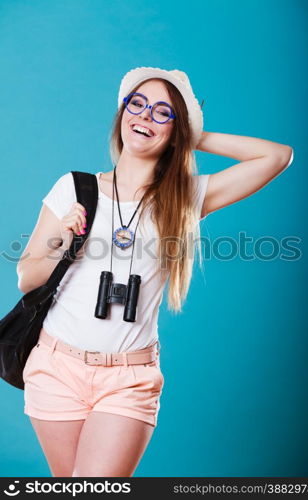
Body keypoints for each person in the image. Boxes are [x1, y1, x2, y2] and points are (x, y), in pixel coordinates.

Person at [16, 67, 293, 478]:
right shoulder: (74, 188)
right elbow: (27, 278)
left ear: (175, 129)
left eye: (163, 113)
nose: (145, 117)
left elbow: (277, 156)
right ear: (121, 113)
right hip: (56, 368)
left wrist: (192, 133)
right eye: (138, 105)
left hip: (128, 378)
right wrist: (60, 239)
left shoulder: (187, 197)